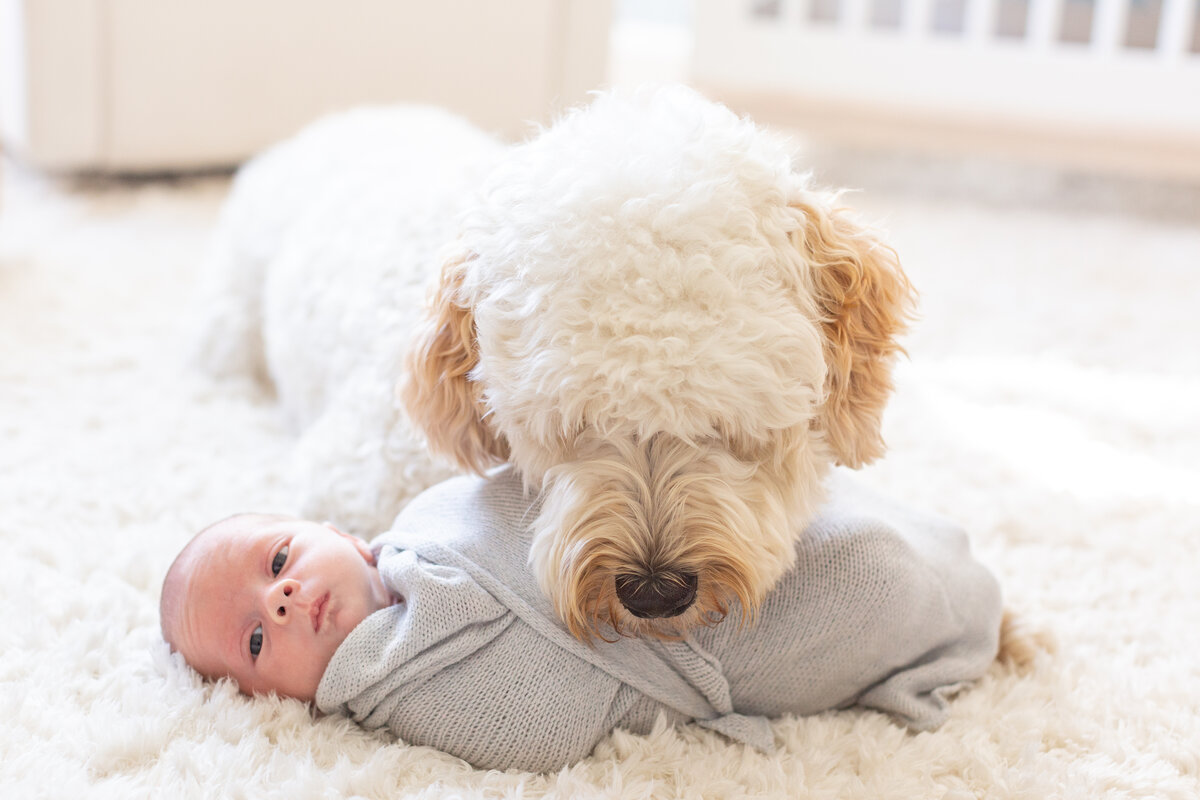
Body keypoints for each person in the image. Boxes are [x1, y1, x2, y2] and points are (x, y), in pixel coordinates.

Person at [160, 467, 1003, 773]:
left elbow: (515, 495)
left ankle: (938, 570)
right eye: (257, 641)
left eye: (277, 562)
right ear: (272, 700)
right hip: (681, 646)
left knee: (812, 522)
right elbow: (543, 724)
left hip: (644, 555)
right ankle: (942, 617)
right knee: (860, 579)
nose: (278, 599)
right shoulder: (403, 692)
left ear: (337, 532)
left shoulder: (430, 518)